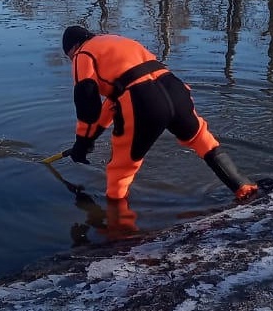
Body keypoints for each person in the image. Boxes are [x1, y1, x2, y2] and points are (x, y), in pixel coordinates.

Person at [61, 25, 258, 203]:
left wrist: (82, 142)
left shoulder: (82, 53)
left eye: (69, 56)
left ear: (73, 47)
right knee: (202, 141)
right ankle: (245, 188)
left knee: (120, 169)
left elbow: (87, 106)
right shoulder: (117, 41)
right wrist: (87, 141)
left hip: (143, 101)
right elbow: (112, 103)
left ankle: (118, 229)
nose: (71, 60)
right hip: (174, 89)